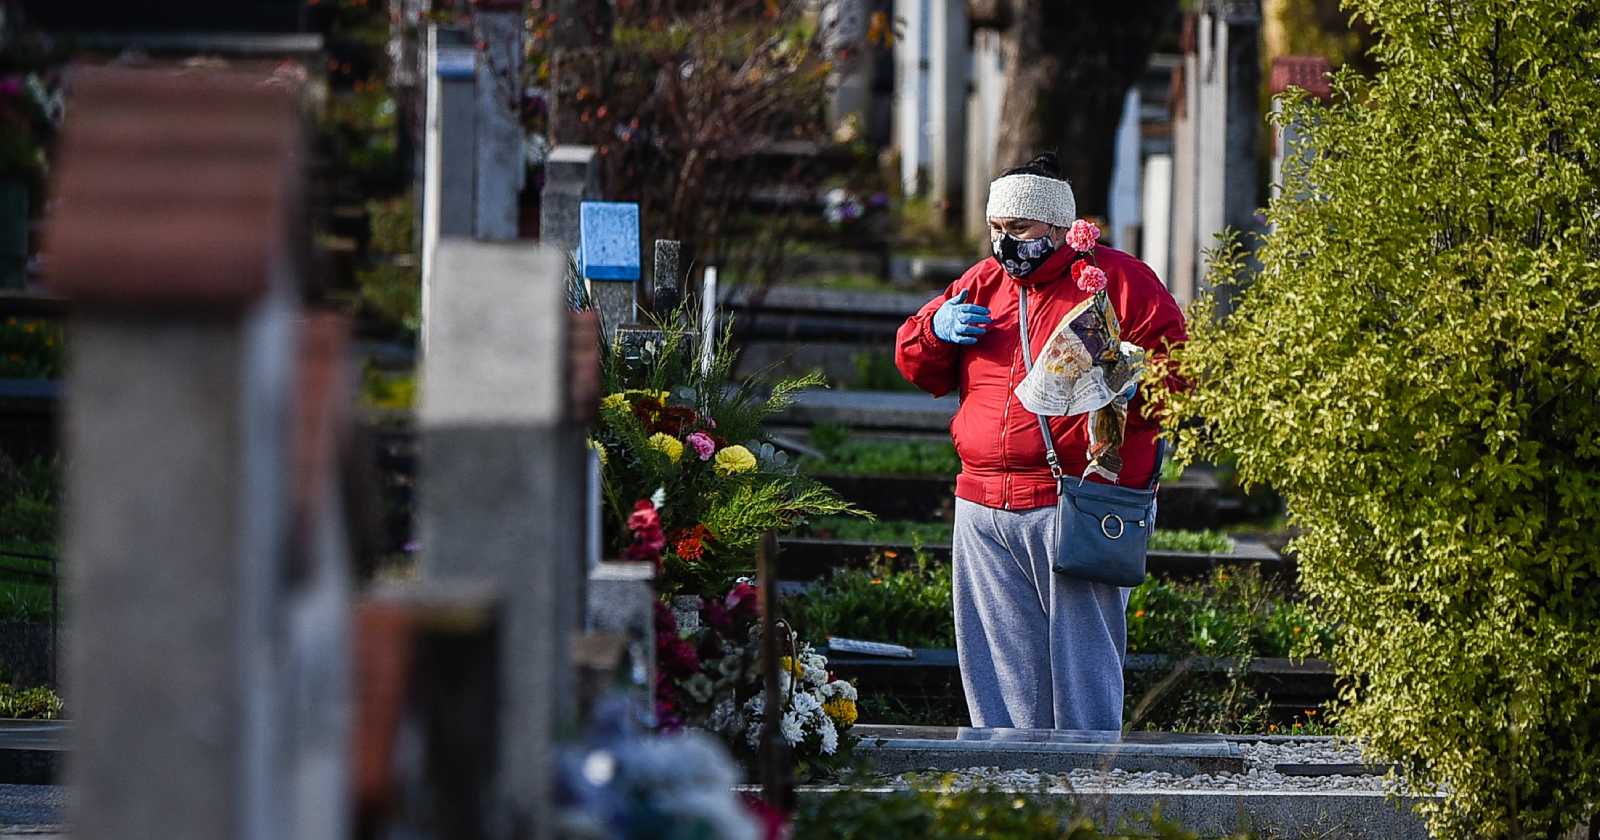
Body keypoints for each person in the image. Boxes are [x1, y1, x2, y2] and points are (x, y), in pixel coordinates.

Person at [894, 152, 1187, 730]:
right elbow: (915, 364)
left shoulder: (1119, 282)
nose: (1005, 244)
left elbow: (1180, 376)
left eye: (1020, 229)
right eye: (996, 229)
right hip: (982, 503)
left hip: (1074, 500)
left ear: (1057, 227)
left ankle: (1085, 793)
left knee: (1082, 669)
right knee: (999, 667)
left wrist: (1124, 380)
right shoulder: (981, 283)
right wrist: (935, 331)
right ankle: (1012, 794)